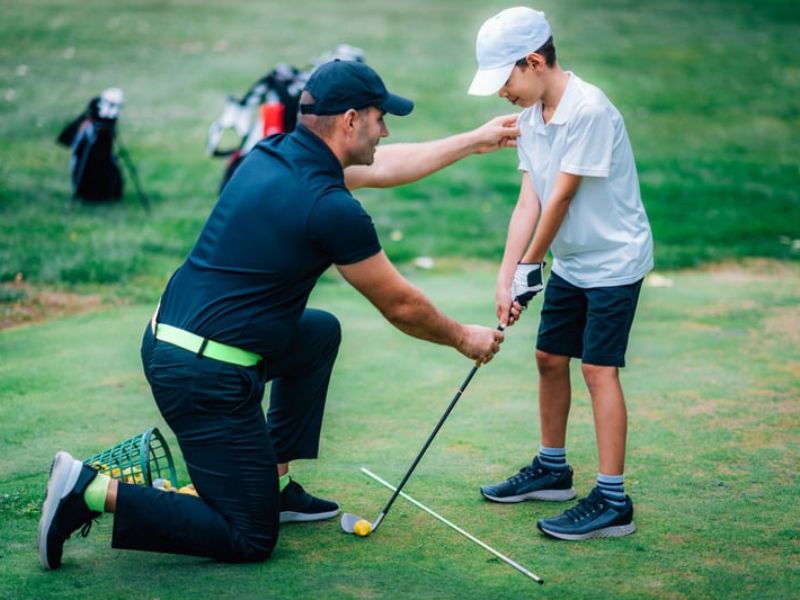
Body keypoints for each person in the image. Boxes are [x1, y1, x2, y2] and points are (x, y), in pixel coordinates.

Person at [38, 59, 512, 570]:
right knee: (248, 537)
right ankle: (88, 489)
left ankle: (275, 482)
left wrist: (473, 140)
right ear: (350, 121)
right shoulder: (329, 206)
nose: (385, 130)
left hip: (180, 341)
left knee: (318, 333)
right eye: (379, 118)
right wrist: (464, 337)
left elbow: (389, 163)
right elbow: (400, 305)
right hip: (202, 377)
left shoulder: (273, 154)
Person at [467, 7, 653, 540]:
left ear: (533, 61)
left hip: (614, 260)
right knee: (549, 357)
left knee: (598, 370)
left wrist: (531, 265)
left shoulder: (589, 110)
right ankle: (552, 470)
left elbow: (563, 197)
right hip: (573, 260)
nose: (502, 92)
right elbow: (531, 199)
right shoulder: (530, 118)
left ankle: (614, 500)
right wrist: (508, 276)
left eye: (505, 79)